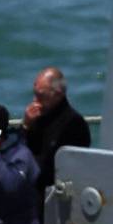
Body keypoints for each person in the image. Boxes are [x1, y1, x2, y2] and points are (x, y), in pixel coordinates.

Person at [21, 65, 90, 193]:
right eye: (34, 95)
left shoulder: (74, 123)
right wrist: (26, 126)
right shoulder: (38, 117)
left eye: (41, 96)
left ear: (57, 95)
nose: (35, 101)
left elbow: (48, 164)